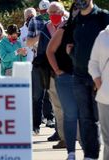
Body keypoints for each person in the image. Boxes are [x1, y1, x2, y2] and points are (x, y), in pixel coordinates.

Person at [67, 0, 109, 159]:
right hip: (79, 76)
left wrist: (100, 78)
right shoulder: (76, 20)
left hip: (100, 78)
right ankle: (90, 155)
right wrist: (72, 54)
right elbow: (73, 44)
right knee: (85, 118)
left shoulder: (103, 17)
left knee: (102, 118)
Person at [46, 2, 80, 159]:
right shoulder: (62, 28)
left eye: (55, 12)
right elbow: (48, 50)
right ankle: (67, 142)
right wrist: (57, 70)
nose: (52, 15)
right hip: (62, 75)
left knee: (82, 111)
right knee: (63, 109)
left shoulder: (90, 26)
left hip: (83, 75)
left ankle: (82, 141)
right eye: (50, 12)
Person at [26, 0, 56, 135]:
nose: (45, 14)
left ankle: (56, 127)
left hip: (56, 60)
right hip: (40, 60)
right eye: (43, 12)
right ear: (39, 11)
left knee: (55, 95)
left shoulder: (60, 20)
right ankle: (35, 126)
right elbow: (29, 42)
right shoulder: (34, 21)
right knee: (37, 95)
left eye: (47, 11)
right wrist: (42, 34)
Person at [88, 25, 109, 160]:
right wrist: (99, 83)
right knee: (108, 139)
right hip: (105, 96)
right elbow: (93, 63)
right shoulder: (103, 36)